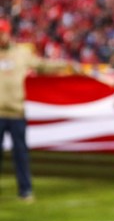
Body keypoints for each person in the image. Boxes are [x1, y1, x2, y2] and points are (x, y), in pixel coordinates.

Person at [0, 18, 78, 202]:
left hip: (16, 111)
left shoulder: (21, 54)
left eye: (1, 33)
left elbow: (43, 66)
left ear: (7, 33)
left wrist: (66, 66)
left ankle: (25, 190)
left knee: (21, 154)